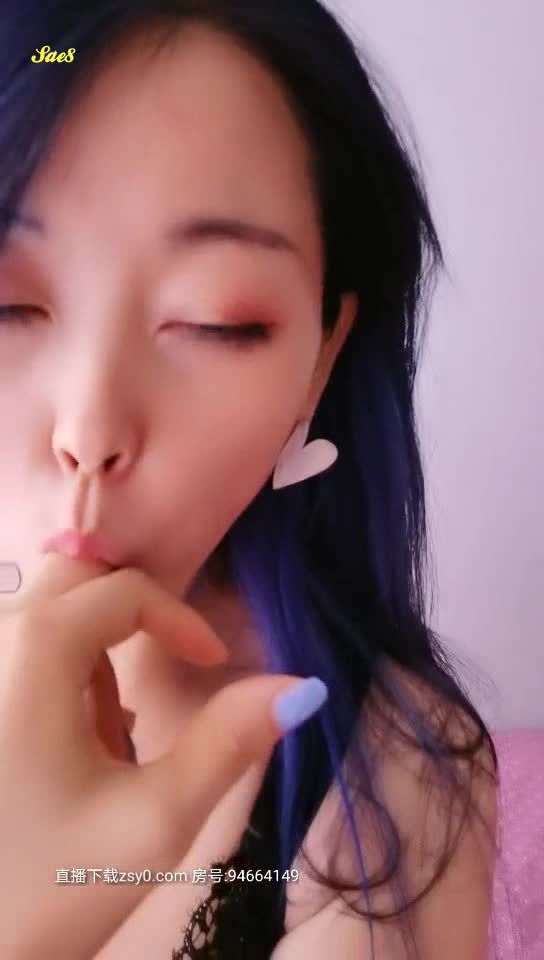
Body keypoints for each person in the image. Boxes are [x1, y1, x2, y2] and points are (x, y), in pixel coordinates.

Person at [0, 2, 499, 958]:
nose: (89, 432)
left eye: (215, 322)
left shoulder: (386, 788)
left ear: (322, 355)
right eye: (8, 304)